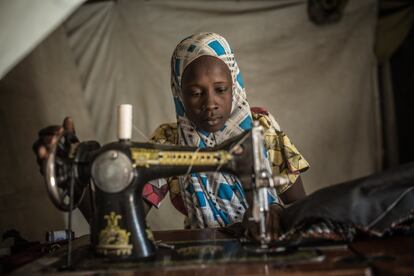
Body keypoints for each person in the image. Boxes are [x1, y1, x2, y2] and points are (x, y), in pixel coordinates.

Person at [33, 32, 309, 240]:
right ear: (179, 93)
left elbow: (302, 211)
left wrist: (276, 214)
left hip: (267, 245)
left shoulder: (263, 131)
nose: (210, 103)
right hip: (203, 255)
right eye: (196, 92)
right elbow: (117, 226)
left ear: (235, 87)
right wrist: (77, 183)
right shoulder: (167, 143)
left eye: (221, 89)